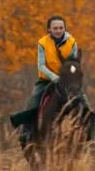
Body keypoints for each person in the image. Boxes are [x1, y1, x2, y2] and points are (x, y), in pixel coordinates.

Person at [10, 15, 81, 144]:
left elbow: (73, 63)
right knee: (34, 101)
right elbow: (41, 65)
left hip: (67, 81)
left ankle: (89, 133)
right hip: (47, 80)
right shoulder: (43, 43)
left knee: (83, 102)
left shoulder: (72, 42)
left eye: (61, 28)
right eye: (55, 28)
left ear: (64, 28)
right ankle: (26, 132)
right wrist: (54, 77)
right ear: (49, 29)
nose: (58, 30)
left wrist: (68, 76)